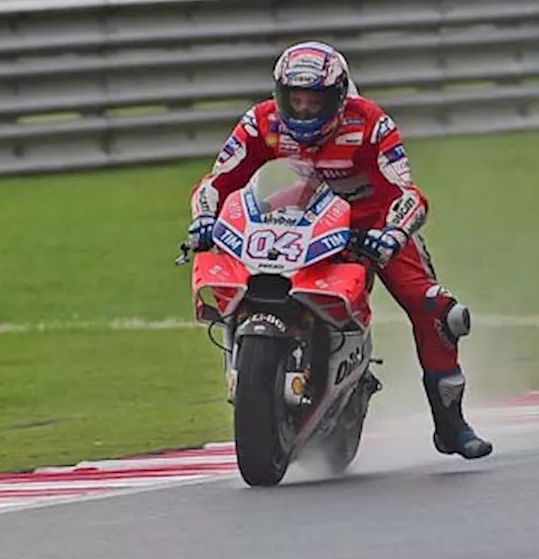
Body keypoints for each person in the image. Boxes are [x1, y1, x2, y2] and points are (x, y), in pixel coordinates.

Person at [186, 41, 493, 461]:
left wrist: (392, 234)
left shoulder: (370, 124)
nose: (305, 110)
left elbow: (407, 193)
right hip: (289, 218)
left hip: (368, 225)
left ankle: (451, 423)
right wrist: (204, 217)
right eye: (296, 99)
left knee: (436, 309)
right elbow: (217, 181)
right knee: (231, 264)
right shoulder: (260, 122)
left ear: (339, 95)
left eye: (316, 100)